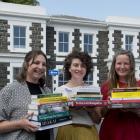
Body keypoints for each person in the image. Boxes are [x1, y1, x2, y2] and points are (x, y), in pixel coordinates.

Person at [0, 50, 52, 140]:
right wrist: (20, 124)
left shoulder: (47, 92)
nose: (40, 67)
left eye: (44, 64)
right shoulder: (10, 90)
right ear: (26, 65)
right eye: (36, 63)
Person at [54, 50, 99, 140]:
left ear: (87, 69)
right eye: (75, 65)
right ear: (69, 68)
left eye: (83, 66)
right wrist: (66, 108)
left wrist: (89, 109)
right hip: (65, 131)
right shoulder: (59, 90)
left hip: (87, 132)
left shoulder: (94, 90)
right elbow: (54, 118)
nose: (79, 68)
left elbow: (97, 120)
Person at [99, 49, 140, 140]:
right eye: (119, 63)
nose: (122, 67)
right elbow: (100, 115)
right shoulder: (106, 86)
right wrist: (107, 106)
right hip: (111, 131)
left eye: (126, 63)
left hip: (133, 131)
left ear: (131, 66)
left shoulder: (139, 85)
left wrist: (135, 110)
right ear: (114, 65)